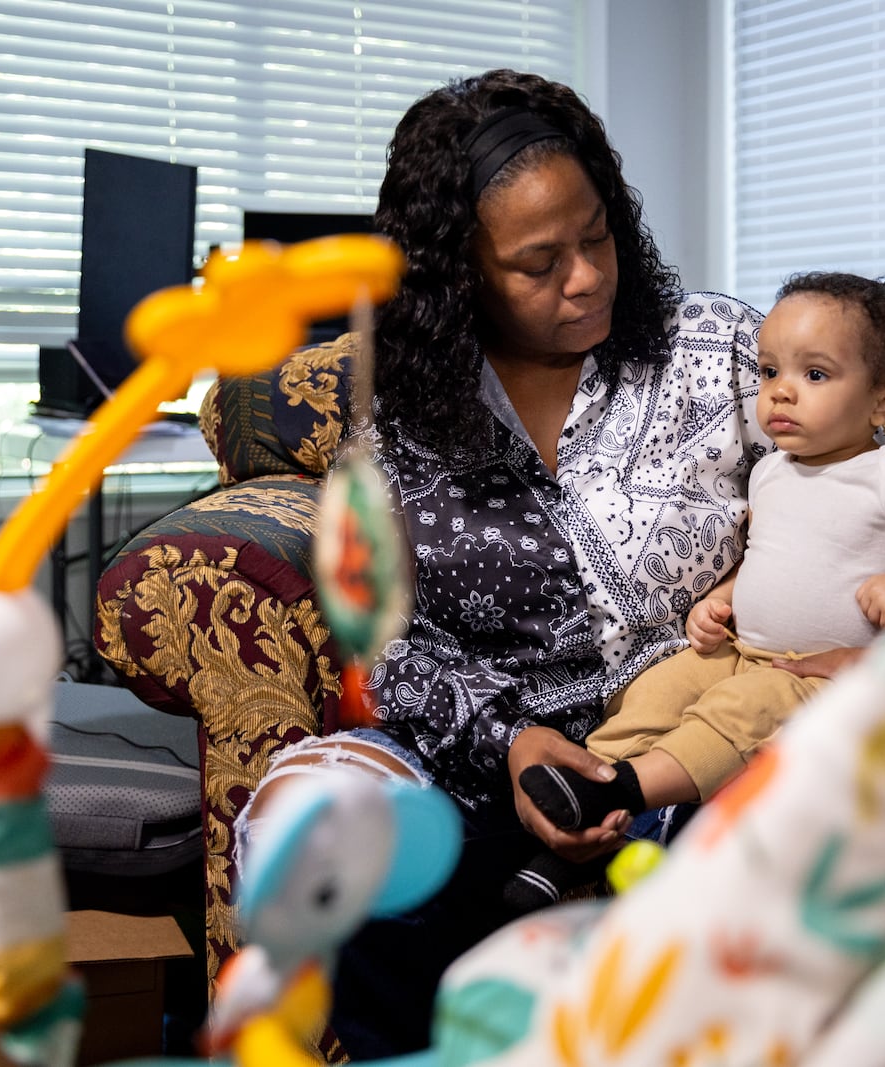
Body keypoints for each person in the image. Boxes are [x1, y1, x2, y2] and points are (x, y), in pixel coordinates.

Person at [235, 69, 776, 1058]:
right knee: (351, 857)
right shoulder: (403, 432)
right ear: (460, 278)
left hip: (707, 742)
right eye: (538, 262)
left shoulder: (722, 352)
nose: (585, 276)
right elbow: (387, 634)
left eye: (597, 235)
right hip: (502, 765)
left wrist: (770, 582)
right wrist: (515, 737)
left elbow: (838, 495)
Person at [507, 272, 885, 910]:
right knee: (652, 693)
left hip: (818, 677)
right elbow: (764, 556)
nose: (780, 392)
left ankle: (620, 793)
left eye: (814, 375)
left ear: (883, 405)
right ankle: (575, 821)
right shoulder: (773, 470)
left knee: (738, 715)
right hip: (741, 648)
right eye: (769, 370)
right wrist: (719, 598)